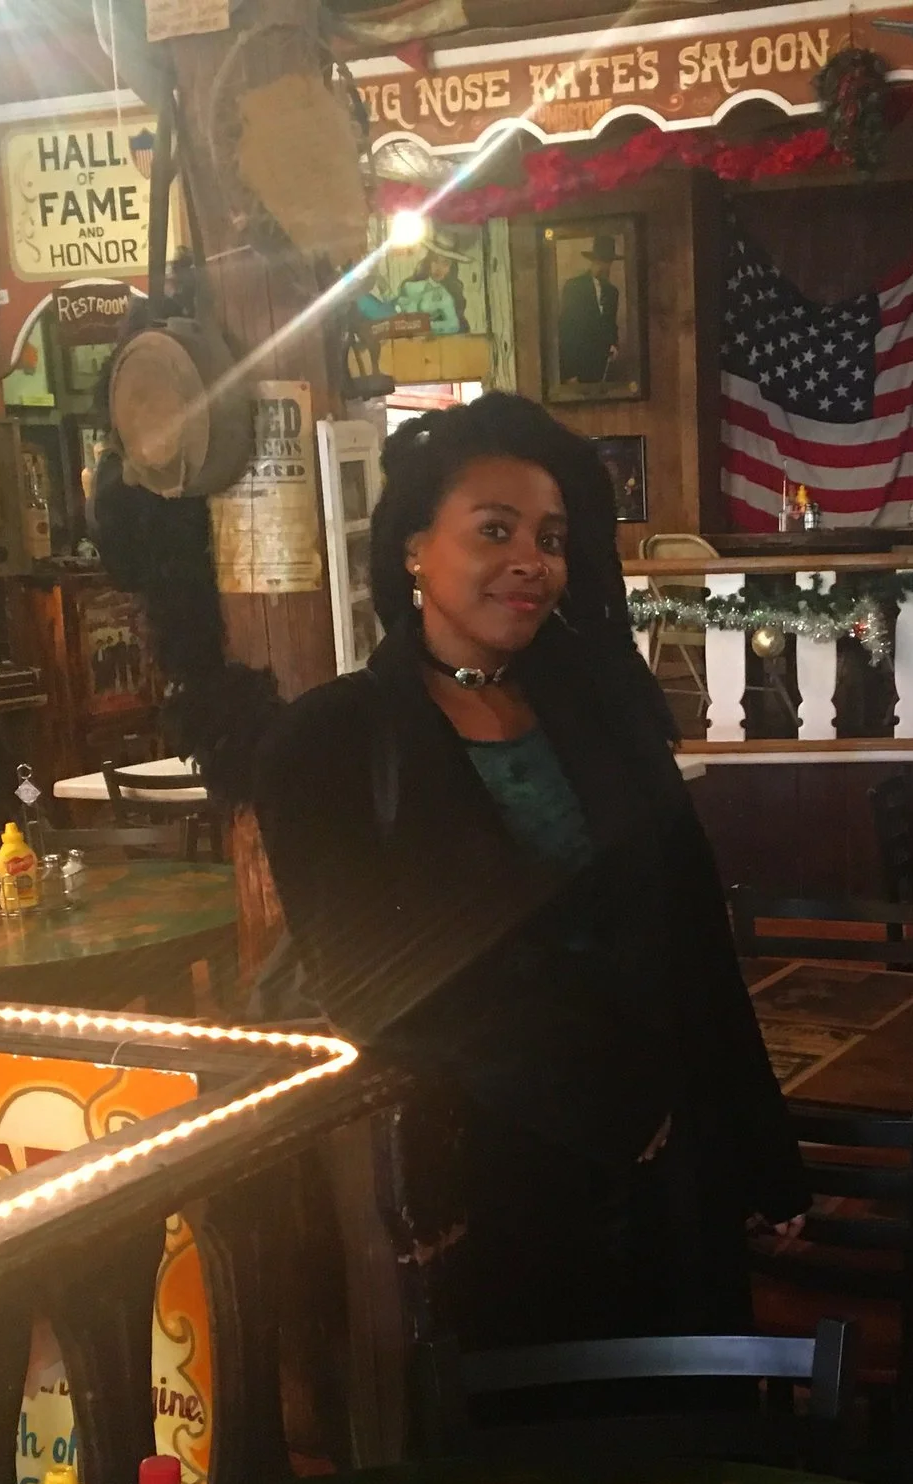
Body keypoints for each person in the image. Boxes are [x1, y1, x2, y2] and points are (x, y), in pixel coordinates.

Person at [246, 394, 807, 1351]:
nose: (531, 561)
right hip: (491, 1191)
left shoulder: (608, 711)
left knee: (694, 1422)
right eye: (494, 530)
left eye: (551, 538)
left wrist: (760, 1148)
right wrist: (606, 1102)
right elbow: (375, 985)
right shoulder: (327, 742)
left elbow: (694, 942)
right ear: (414, 548)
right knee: (538, 1435)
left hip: (674, 1168)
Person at [553, 234, 622, 384]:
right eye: (603, 261)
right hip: (578, 366)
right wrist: (570, 372)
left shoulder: (612, 292)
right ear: (594, 260)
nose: (606, 266)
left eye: (609, 261)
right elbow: (566, 329)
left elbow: (611, 325)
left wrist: (614, 345)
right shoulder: (574, 287)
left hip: (604, 368)